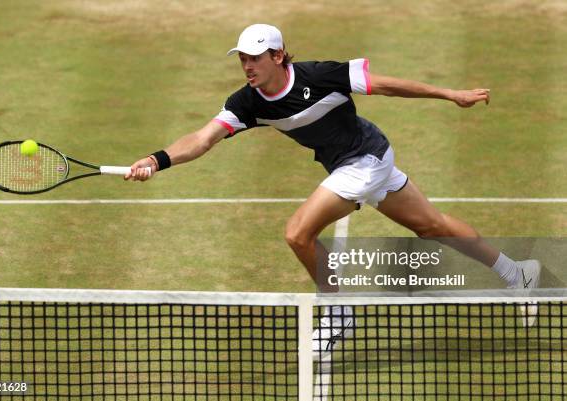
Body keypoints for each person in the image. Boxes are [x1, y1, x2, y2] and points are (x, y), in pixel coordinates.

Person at [125, 24, 541, 358]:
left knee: (297, 233)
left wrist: (450, 94)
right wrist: (155, 160)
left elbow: (387, 85)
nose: (247, 66)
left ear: (277, 55)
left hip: (366, 160)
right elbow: (202, 139)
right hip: (361, 161)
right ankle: (518, 273)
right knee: (432, 227)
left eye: (255, 58)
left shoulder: (319, 75)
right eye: (243, 60)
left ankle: (339, 313)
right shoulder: (248, 102)